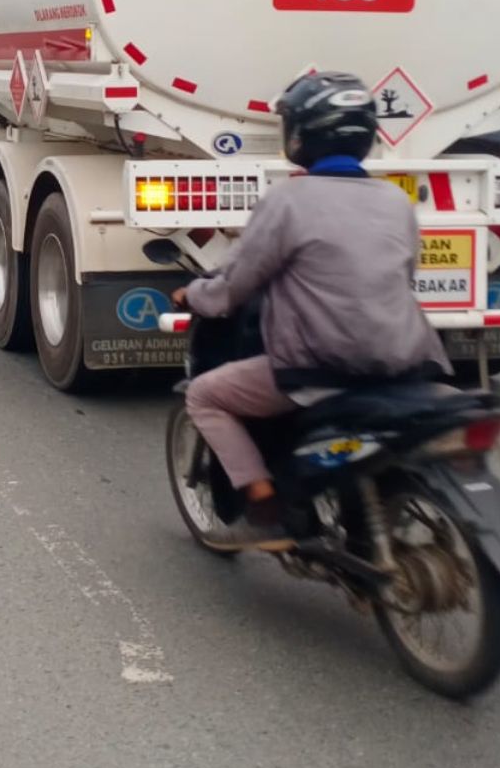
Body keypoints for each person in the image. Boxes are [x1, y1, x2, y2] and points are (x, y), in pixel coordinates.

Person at [173, 72, 452, 550]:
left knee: (204, 395)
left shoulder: (289, 200)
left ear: (300, 135)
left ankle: (265, 507)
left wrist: (190, 295)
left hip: (317, 368)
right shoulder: (395, 200)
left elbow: (232, 288)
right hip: (406, 364)